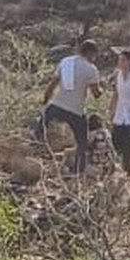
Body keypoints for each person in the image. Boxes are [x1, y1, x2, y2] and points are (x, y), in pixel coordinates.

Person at [32, 40, 103, 174]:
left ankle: (34, 147)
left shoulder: (66, 62)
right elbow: (96, 94)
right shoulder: (91, 69)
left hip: (57, 106)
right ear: (91, 53)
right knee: (82, 141)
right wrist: (101, 89)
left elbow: (52, 85)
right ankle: (78, 169)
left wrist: (45, 101)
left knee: (40, 128)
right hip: (76, 111)